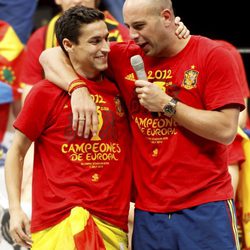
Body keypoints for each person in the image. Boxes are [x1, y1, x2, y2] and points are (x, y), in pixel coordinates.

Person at [39, 0, 245, 249]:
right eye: (128, 26)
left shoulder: (212, 55)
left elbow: (225, 130)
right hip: (149, 212)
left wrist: (167, 105)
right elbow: (50, 55)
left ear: (167, 17)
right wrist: (77, 88)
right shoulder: (126, 55)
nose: (133, 35)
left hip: (205, 205)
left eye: (139, 26)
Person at [5, 6, 133, 249]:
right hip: (58, 222)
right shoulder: (44, 92)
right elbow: (17, 151)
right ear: (69, 45)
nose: (105, 47)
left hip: (112, 222)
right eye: (95, 41)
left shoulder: (119, 88)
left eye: (106, 38)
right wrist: (15, 208)